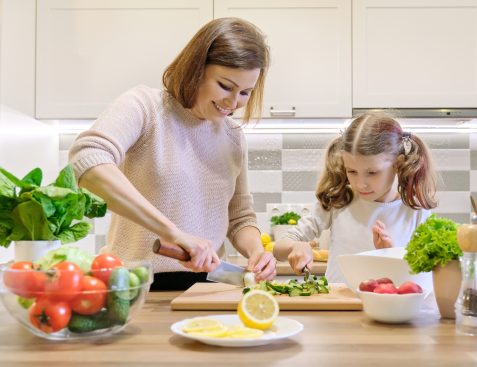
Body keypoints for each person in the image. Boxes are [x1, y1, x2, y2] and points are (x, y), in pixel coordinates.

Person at [69, 17, 276, 290]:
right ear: (195, 69)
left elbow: (240, 219)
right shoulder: (146, 107)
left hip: (212, 288)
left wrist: (256, 251)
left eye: (245, 93)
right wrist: (172, 233)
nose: (233, 102)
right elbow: (87, 158)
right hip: (134, 285)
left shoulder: (233, 137)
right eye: (225, 86)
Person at [273, 112, 439, 282]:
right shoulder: (338, 200)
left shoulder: (415, 210)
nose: (360, 184)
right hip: (339, 305)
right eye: (352, 171)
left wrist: (393, 254)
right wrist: (296, 246)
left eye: (372, 172)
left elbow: (428, 276)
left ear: (397, 164)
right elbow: (279, 248)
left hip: (391, 307)